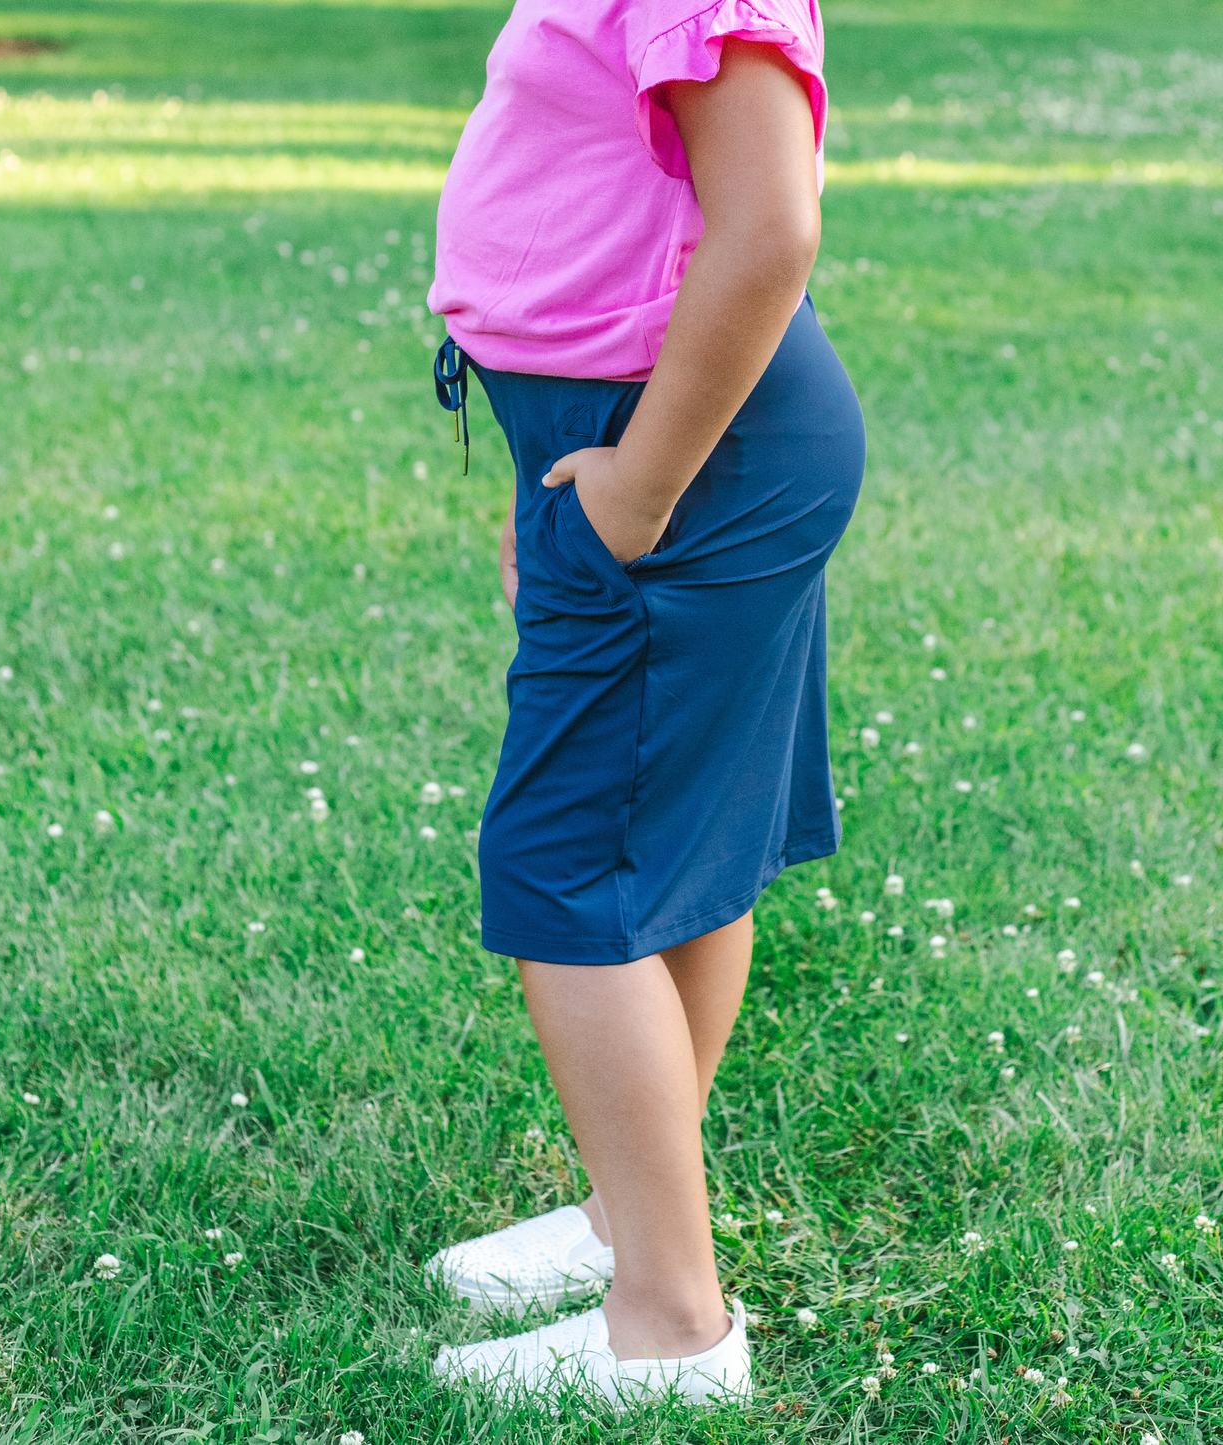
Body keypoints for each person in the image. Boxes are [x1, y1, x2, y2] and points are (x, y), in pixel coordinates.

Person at [424, 0, 864, 1410]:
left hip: (685, 458)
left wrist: (637, 488)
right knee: (676, 851)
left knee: (570, 864)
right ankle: (635, 1218)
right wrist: (551, 457)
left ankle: (670, 1325)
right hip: (636, 441)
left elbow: (772, 227)